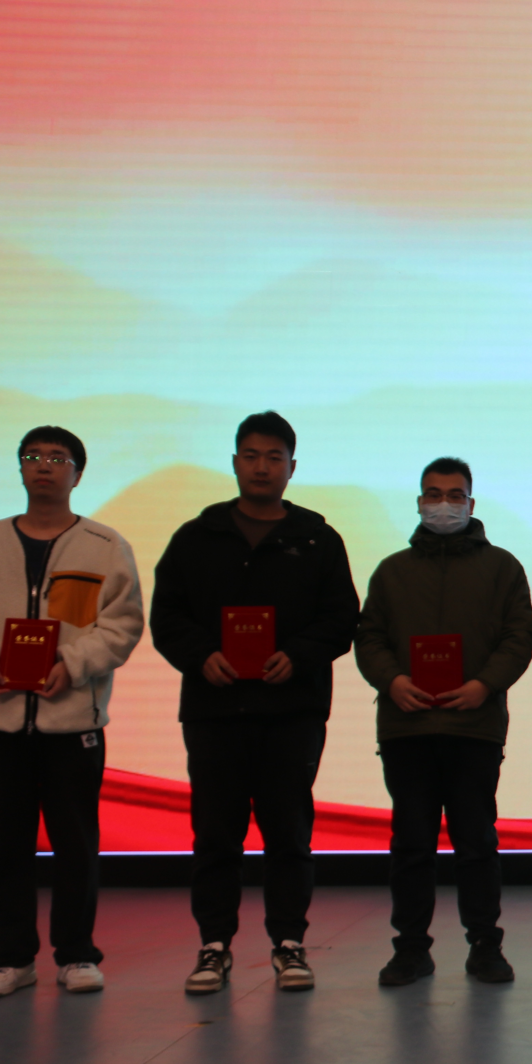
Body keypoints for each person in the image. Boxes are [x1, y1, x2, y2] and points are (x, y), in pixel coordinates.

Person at [150, 411, 360, 995]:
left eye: (274, 457)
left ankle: (288, 943)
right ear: (235, 462)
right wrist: (200, 656)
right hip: (214, 710)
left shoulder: (317, 538)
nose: (262, 466)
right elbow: (167, 616)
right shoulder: (196, 536)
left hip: (292, 712)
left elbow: (342, 618)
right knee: (215, 834)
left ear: (292, 467)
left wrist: (299, 655)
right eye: (251, 455)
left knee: (288, 833)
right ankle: (213, 945)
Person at [0, 428, 143, 998]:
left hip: (73, 723)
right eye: (33, 457)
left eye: (58, 459)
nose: (44, 466)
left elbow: (123, 623)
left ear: (77, 475)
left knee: (75, 843)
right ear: (20, 469)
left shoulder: (104, 545)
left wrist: (74, 663)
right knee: (7, 844)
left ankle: (77, 954)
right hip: (2, 720)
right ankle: (9, 959)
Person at [356, 457, 532, 986]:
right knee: (411, 845)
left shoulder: (502, 567)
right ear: (419, 503)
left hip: (474, 726)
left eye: (455, 495)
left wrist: (484, 685)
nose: (444, 504)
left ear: (471, 504)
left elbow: (518, 637)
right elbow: (369, 637)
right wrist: (393, 681)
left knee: (476, 843)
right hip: (406, 727)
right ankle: (411, 949)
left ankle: (485, 946)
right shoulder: (392, 571)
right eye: (434, 495)